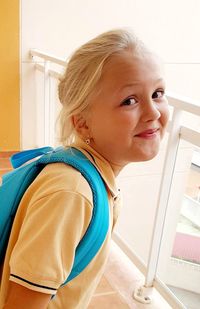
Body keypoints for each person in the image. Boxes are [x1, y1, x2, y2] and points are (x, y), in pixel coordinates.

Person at [0, 29, 169, 308]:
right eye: (130, 100)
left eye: (157, 93)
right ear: (82, 123)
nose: (154, 113)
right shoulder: (72, 193)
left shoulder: (91, 179)